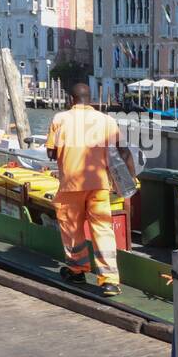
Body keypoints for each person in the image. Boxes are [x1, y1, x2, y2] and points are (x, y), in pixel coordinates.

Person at [44, 83, 124, 296]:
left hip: (71, 185)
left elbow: (51, 153)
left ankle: (77, 270)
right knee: (103, 229)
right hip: (99, 185)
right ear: (90, 99)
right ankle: (110, 280)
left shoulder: (60, 119)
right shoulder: (107, 120)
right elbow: (120, 152)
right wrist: (127, 180)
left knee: (72, 229)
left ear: (71, 99)